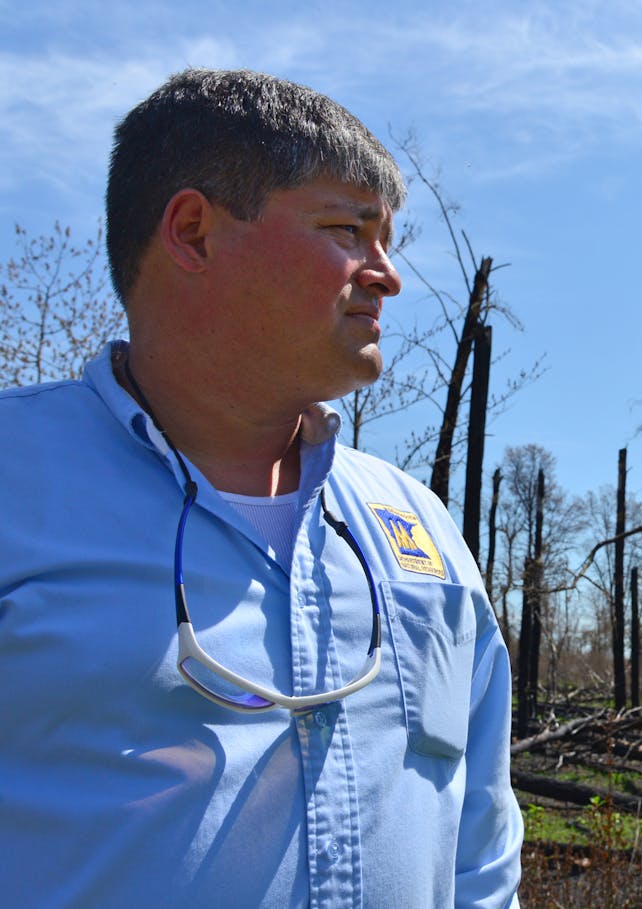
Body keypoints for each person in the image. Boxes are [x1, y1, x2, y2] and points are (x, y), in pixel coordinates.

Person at [0, 69, 522, 907]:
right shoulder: (15, 481)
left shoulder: (419, 529)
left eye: (388, 238)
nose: (386, 275)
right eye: (348, 228)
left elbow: (483, 856)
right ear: (195, 233)